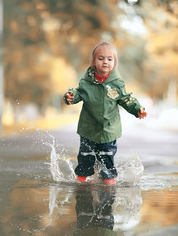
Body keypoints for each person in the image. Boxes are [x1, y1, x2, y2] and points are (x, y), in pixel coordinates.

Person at [63, 42, 147, 185]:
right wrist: (70, 96)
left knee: (106, 157)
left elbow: (126, 99)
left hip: (109, 129)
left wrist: (137, 109)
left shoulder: (117, 84)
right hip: (88, 128)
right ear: (94, 62)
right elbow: (77, 94)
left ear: (114, 63)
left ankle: (109, 180)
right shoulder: (86, 82)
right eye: (101, 58)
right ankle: (81, 180)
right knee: (86, 156)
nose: (105, 62)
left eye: (109, 59)